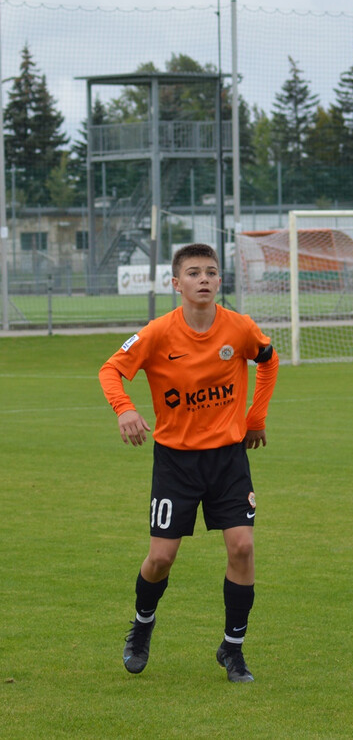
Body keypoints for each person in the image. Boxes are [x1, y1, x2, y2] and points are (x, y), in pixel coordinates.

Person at [98, 243, 278, 683]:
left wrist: (255, 419)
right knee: (161, 558)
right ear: (176, 284)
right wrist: (124, 409)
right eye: (193, 273)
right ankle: (142, 627)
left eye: (211, 273)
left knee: (242, 546)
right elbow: (110, 369)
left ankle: (233, 650)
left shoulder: (239, 328)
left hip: (228, 459)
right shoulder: (158, 333)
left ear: (220, 281)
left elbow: (268, 361)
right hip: (176, 462)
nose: (203, 279)